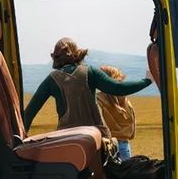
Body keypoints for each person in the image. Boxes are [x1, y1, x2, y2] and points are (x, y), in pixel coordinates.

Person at [24, 37, 152, 135]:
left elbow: (30, 112)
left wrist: (19, 141)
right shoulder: (89, 71)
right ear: (76, 53)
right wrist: (147, 80)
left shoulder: (52, 79)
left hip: (65, 139)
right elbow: (117, 88)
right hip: (94, 135)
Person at [95, 65, 138, 161]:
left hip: (107, 145)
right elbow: (132, 127)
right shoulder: (125, 99)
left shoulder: (98, 99)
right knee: (125, 173)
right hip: (124, 145)